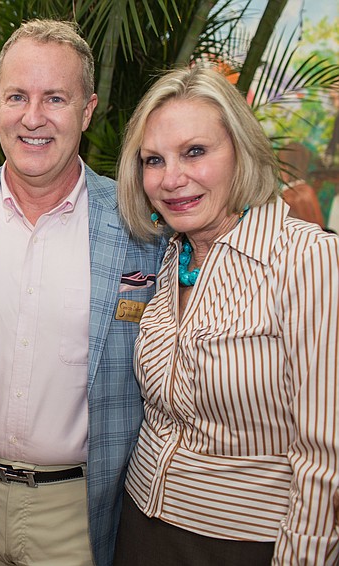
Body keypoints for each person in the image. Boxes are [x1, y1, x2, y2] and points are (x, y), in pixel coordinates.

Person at [0, 19, 163, 566]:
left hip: (81, 514)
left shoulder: (139, 227)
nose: (33, 117)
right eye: (17, 96)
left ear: (88, 109)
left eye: (55, 97)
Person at [114, 65, 339, 564]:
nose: (172, 179)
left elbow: (326, 455)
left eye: (195, 151)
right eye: (154, 160)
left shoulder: (306, 259)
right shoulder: (173, 256)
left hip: (244, 543)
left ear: (240, 149)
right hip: (141, 526)